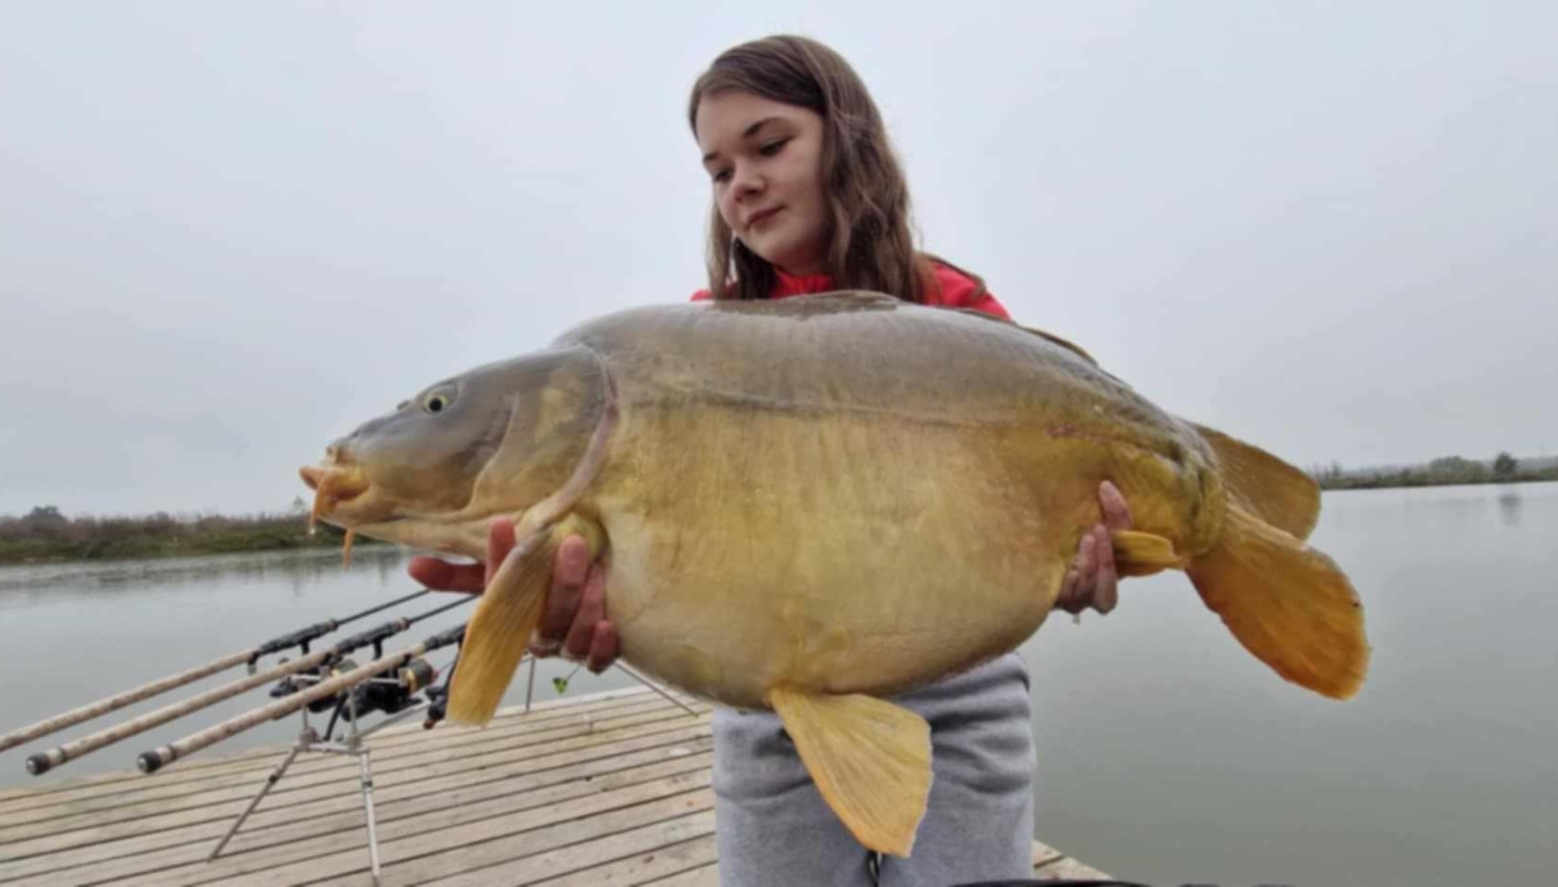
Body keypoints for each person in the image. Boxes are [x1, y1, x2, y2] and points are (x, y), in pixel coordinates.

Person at [410, 34, 1134, 887]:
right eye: (717, 171)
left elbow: (1042, 496)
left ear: (848, 140)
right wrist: (560, 595)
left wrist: (1085, 556)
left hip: (962, 695)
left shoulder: (959, 315)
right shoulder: (688, 347)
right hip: (766, 710)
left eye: (769, 146)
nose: (740, 184)